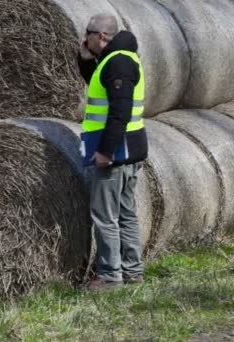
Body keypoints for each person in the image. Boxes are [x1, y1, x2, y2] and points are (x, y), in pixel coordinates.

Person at [77, 14, 148, 290]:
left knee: (105, 215)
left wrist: (106, 152)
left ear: (102, 36)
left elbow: (119, 111)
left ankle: (110, 275)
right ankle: (132, 271)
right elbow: (99, 86)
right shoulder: (118, 58)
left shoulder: (118, 62)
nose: (85, 38)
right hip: (129, 148)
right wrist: (84, 59)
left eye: (89, 34)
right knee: (125, 212)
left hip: (117, 152)